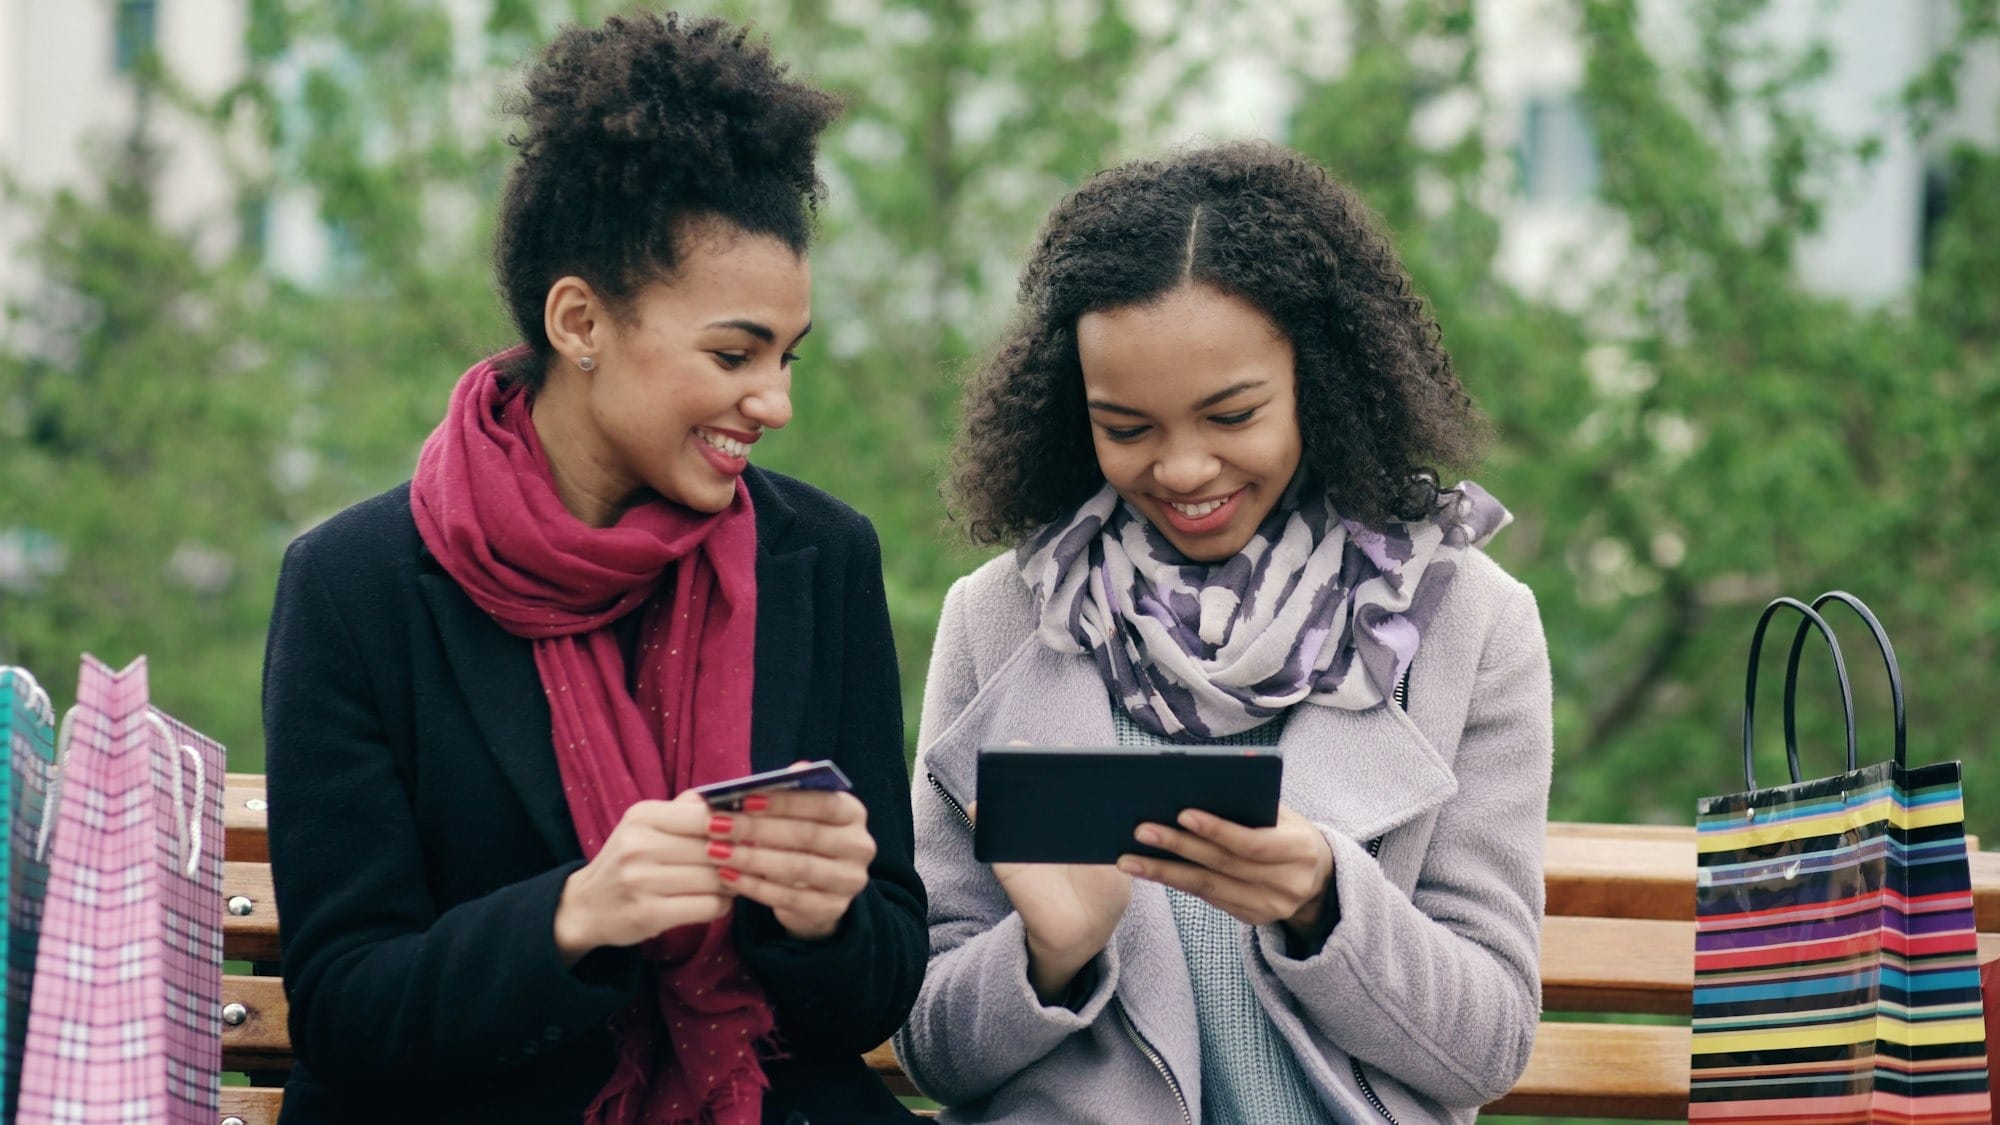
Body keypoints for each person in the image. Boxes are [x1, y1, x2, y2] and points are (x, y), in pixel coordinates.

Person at [262, 12, 925, 1124]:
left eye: (786, 356)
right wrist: (574, 916)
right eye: (732, 354)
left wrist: (821, 920)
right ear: (579, 320)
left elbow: (878, 982)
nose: (775, 403)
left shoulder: (822, 558)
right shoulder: (355, 585)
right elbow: (343, 1004)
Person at [893, 141, 1553, 1123]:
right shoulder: (997, 619)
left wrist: (1325, 902)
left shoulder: (1465, 622)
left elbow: (1486, 1046)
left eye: (1231, 415)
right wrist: (1048, 955)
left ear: (1317, 384)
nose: (1183, 469)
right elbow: (933, 1050)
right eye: (1126, 428)